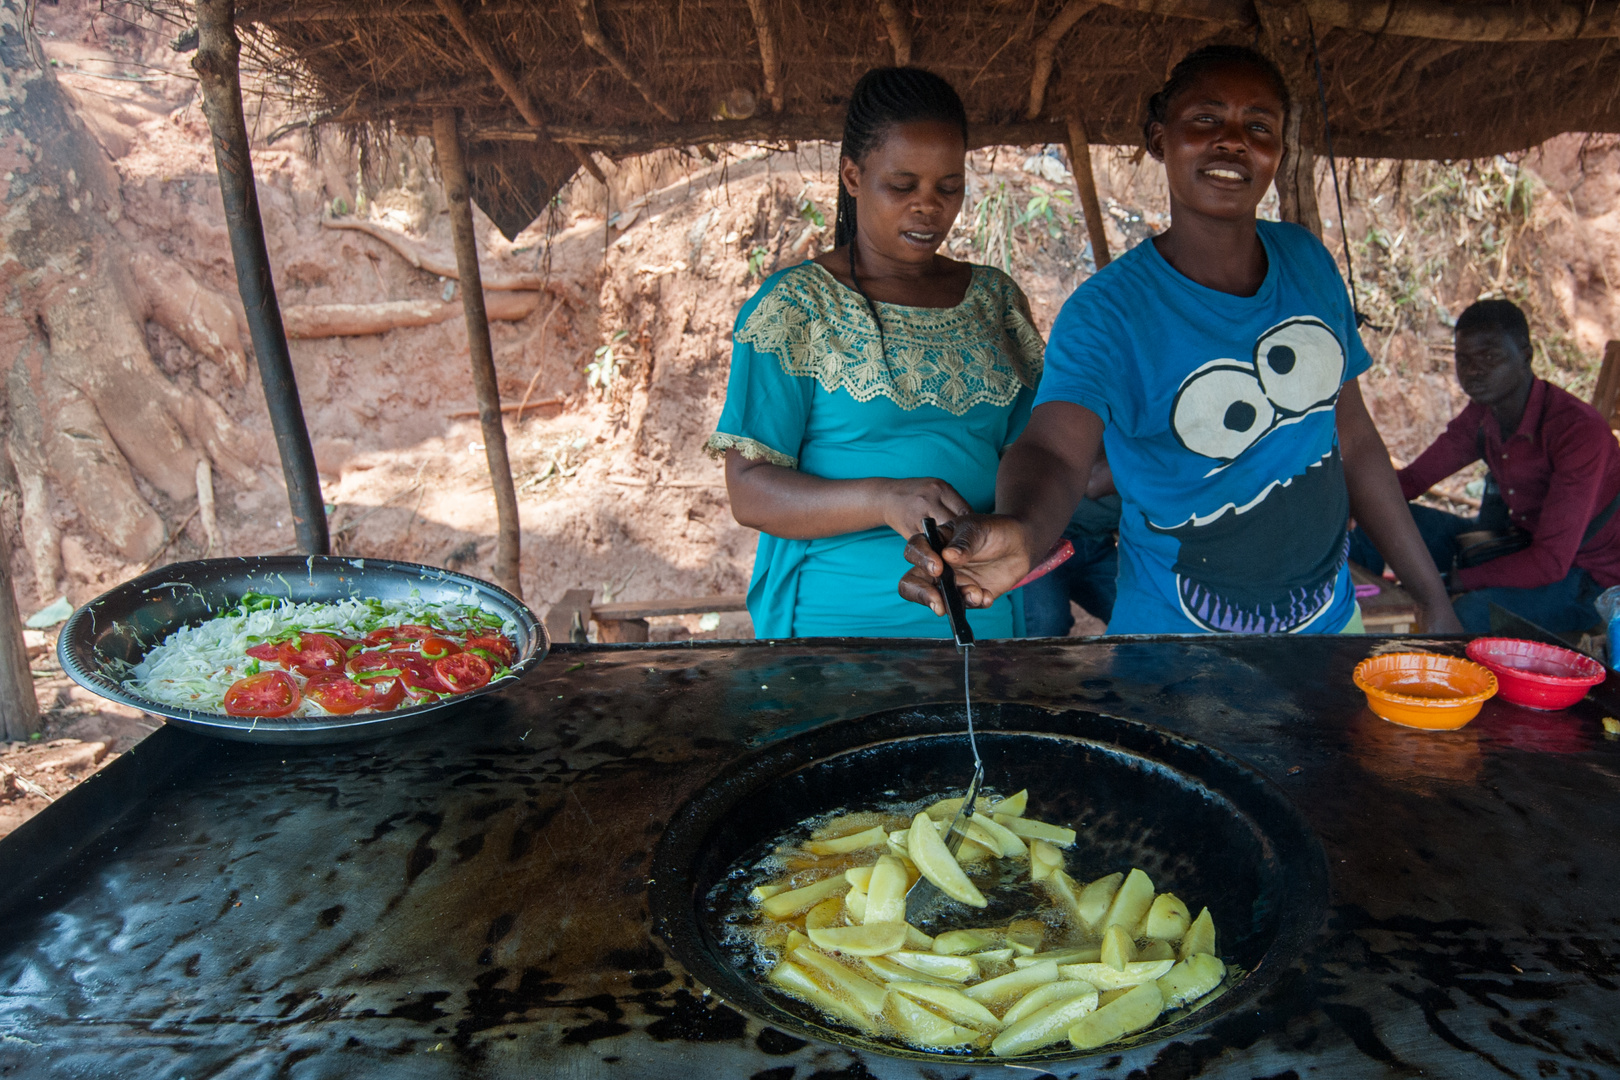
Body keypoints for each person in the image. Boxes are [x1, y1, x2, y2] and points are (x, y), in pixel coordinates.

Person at [895, 45, 1463, 635]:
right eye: (1207, 120)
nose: (1233, 140)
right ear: (1158, 137)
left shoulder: (1307, 263)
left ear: (1279, 152)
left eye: (1259, 126)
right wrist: (1023, 529)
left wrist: (1431, 595)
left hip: (1328, 633)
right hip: (1178, 658)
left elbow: (1355, 437)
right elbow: (1055, 452)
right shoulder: (1109, 313)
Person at [706, 67, 1044, 638]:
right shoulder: (797, 307)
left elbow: (1032, 454)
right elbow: (750, 491)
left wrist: (1012, 531)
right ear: (853, 175)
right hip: (835, 628)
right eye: (902, 185)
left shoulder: (995, 303)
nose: (928, 207)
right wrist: (883, 499)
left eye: (948, 187)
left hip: (981, 615)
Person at [1350, 299, 1620, 634]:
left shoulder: (1577, 432)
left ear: (1526, 355)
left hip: (1586, 579)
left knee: (1465, 614)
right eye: (1464, 359)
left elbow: (1550, 563)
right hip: (1517, 544)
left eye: (1490, 357)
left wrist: (1455, 581)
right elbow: (1414, 479)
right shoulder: (1483, 414)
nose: (1474, 370)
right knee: (1369, 522)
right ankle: (1367, 613)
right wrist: (1346, 507)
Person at [1020, 457, 1120, 635]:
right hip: (1044, 539)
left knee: (1139, 618)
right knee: (1046, 623)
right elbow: (1094, 483)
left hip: (1100, 539)